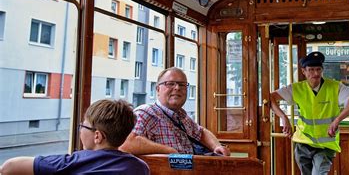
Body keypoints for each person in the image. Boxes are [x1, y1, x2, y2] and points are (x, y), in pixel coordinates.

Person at [0, 99, 150, 175]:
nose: (80, 131)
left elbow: (9, 167)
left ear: (97, 136)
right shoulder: (139, 167)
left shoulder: (74, 162)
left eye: (83, 126)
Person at [270, 51, 349, 175]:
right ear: (303, 71)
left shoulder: (335, 87)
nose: (315, 73)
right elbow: (270, 98)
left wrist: (337, 120)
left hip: (325, 145)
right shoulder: (296, 88)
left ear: (322, 70)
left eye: (318, 69)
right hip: (303, 142)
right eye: (311, 70)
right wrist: (283, 117)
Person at [120, 67, 231, 156]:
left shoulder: (181, 115)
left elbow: (201, 133)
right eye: (170, 83)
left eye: (182, 84)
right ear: (158, 89)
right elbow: (126, 143)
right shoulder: (145, 113)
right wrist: (169, 151)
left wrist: (217, 146)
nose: (177, 88)